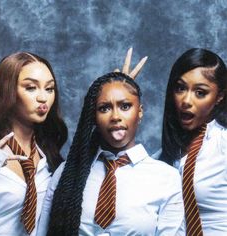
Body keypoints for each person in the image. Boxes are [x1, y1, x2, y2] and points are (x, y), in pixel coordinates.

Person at [37, 72, 185, 236]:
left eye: (125, 106)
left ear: (140, 112)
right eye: (104, 108)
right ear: (94, 117)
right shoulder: (67, 173)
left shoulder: (167, 178)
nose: (115, 116)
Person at [0, 52, 68, 236]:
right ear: (8, 90)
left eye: (49, 89)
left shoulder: (47, 153)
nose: (43, 98)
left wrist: (116, 87)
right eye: (31, 88)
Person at [157, 48, 227, 235]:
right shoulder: (161, 158)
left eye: (200, 92)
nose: (186, 100)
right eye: (180, 88)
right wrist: (117, 91)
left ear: (220, 96)